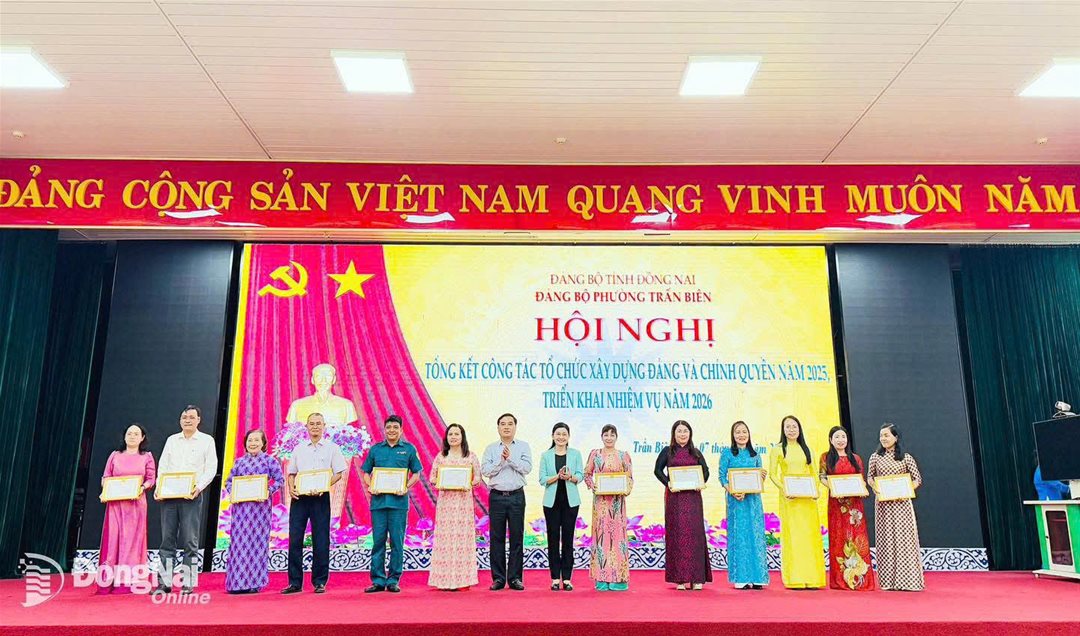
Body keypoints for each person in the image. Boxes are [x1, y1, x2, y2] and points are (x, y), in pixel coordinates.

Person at [154, 405, 217, 594]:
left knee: (190, 541)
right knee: (167, 540)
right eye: (184, 417)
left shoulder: (206, 440)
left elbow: (211, 468)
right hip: (169, 495)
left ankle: (188, 583)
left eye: (191, 417)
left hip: (191, 495)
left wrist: (198, 488)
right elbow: (163, 466)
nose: (187, 420)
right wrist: (159, 488)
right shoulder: (172, 440)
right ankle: (164, 583)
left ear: (198, 420)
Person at [281, 413, 346, 594]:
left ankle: (319, 581)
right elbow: (291, 473)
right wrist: (291, 487)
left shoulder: (332, 448)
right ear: (307, 427)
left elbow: (339, 473)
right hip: (300, 498)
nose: (315, 427)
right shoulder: (299, 448)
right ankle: (295, 583)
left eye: (318, 423)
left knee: (321, 539)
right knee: (295, 539)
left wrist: (324, 485)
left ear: (324, 426)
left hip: (320, 497)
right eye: (312, 424)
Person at [361, 414, 422, 593]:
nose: (392, 430)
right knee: (378, 542)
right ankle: (378, 580)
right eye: (389, 427)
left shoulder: (409, 449)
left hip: (399, 504)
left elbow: (416, 474)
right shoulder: (376, 449)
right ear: (384, 430)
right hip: (378, 504)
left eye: (395, 427)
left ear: (401, 430)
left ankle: (394, 580)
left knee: (397, 542)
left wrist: (406, 487)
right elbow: (366, 472)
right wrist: (371, 485)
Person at [769, 415, 826, 589]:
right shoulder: (778, 450)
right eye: (788, 427)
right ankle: (795, 578)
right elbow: (773, 474)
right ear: (783, 430)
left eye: (794, 426)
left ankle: (813, 578)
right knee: (793, 537)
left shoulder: (807, 449)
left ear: (799, 429)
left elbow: (814, 473)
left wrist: (815, 490)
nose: (791, 430)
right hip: (790, 500)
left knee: (809, 537)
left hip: (807, 500)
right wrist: (784, 489)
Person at [97, 424, 156, 594]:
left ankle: (127, 581)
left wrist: (141, 488)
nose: (132, 436)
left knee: (132, 541)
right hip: (115, 504)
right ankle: (109, 581)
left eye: (136, 434)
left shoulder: (147, 457)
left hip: (136, 504)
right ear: (124, 436)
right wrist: (106, 489)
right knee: (113, 539)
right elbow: (106, 476)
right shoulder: (114, 455)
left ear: (142, 438)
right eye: (129, 433)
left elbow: (151, 479)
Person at [654, 420, 712, 590]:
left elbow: (706, 471)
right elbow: (657, 470)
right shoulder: (667, 451)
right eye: (679, 431)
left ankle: (697, 578)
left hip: (693, 499)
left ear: (690, 433)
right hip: (675, 499)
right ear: (674, 433)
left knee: (695, 535)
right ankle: (680, 579)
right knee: (677, 535)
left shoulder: (696, 452)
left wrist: (700, 482)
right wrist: (668, 483)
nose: (682, 434)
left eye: (685, 431)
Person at [223, 429, 284, 594]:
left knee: (257, 545)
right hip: (241, 511)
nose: (253, 443)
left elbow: (279, 480)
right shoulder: (239, 462)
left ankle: (254, 583)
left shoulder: (270, 461)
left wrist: (268, 491)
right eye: (250, 440)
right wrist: (234, 492)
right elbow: (228, 482)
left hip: (260, 511)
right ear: (245, 443)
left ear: (263, 443)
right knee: (239, 545)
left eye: (257, 440)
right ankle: (236, 584)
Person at [868, 423, 925, 591]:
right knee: (886, 539)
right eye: (881, 436)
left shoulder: (906, 457)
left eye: (886, 435)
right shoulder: (875, 457)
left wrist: (906, 490)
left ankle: (909, 581)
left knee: (904, 540)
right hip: (883, 505)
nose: (883, 438)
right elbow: (870, 477)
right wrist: (875, 488)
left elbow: (917, 479)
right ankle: (888, 581)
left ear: (896, 437)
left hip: (902, 505)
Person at [818, 426, 875, 591]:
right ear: (831, 440)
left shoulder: (856, 459)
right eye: (837, 437)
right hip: (836, 504)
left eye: (843, 436)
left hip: (855, 506)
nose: (840, 440)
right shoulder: (825, 457)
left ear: (847, 439)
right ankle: (840, 580)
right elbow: (822, 477)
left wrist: (861, 489)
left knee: (857, 538)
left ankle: (860, 579)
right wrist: (834, 488)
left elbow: (860, 479)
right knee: (839, 536)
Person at [481, 412, 533, 591]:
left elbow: (527, 468)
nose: (506, 427)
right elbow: (486, 471)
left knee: (517, 537)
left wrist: (510, 459)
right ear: (498, 427)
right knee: (496, 538)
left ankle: (515, 578)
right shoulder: (491, 448)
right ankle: (498, 578)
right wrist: (501, 461)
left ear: (515, 427)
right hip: (496, 496)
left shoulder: (523, 447)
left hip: (517, 496)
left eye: (510, 424)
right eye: (503, 424)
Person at [428, 423, 483, 591]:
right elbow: (432, 478)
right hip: (446, 504)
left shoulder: (471, 456)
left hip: (463, 505)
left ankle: (462, 581)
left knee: (462, 541)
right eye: (450, 434)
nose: (453, 437)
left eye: (456, 434)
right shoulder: (441, 457)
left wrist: (470, 482)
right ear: (446, 437)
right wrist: (441, 482)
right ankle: (444, 580)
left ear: (462, 437)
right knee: (445, 540)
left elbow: (477, 478)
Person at [718, 421, 769, 590]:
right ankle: (741, 577)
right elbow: (722, 477)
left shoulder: (755, 454)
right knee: (739, 535)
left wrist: (762, 477)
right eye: (738, 432)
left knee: (755, 534)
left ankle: (758, 577)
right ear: (733, 435)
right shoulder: (727, 453)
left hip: (753, 501)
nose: (741, 435)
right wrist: (732, 491)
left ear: (749, 434)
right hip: (736, 501)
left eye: (744, 432)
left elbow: (758, 479)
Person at [583, 424, 633, 591]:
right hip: (601, 504)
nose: (609, 438)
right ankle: (602, 579)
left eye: (612, 435)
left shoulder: (623, 455)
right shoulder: (595, 454)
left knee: (618, 539)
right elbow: (587, 474)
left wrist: (626, 489)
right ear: (602, 437)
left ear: (616, 437)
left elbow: (629, 478)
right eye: (606, 435)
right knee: (602, 538)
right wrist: (593, 486)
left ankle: (619, 579)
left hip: (617, 505)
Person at [538, 422, 584, 591]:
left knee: (568, 540)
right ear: (553, 436)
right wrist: (557, 477)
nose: (561, 437)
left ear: (568, 437)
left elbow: (580, 475)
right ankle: (555, 579)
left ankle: (567, 579)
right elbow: (542, 479)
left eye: (564, 434)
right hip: (551, 503)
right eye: (558, 434)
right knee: (553, 540)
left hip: (570, 503)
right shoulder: (546, 455)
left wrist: (570, 477)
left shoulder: (575, 454)